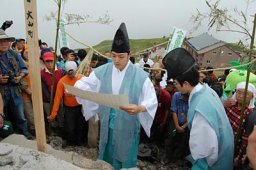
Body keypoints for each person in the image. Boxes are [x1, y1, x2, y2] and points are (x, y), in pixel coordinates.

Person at [74, 23, 157, 169]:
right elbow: (85, 84)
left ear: (129, 55)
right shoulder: (103, 70)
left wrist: (139, 108)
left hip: (127, 126)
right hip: (107, 124)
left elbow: (152, 100)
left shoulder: (141, 77)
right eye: (113, 56)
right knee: (106, 155)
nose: (116, 60)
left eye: (121, 56)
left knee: (124, 157)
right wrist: (77, 89)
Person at [163, 48, 234, 169]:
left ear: (185, 83)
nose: (175, 87)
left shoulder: (199, 109)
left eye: (175, 83)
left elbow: (206, 151)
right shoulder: (207, 91)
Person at [0, 29, 32, 139]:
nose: (3, 44)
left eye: (5, 41)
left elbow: (24, 69)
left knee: (20, 114)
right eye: (0, 41)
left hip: (15, 89)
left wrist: (20, 76)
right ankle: (7, 135)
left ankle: (25, 134)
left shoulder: (15, 54)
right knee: (3, 114)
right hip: (1, 92)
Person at [48, 61, 87, 146]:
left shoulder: (82, 78)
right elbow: (57, 99)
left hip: (81, 107)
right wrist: (53, 114)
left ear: (76, 70)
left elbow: (87, 92)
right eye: (69, 73)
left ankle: (80, 143)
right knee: (70, 127)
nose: (71, 75)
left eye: (73, 73)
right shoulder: (62, 82)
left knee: (81, 126)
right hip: (69, 108)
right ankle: (71, 144)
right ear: (66, 72)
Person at [225, 82, 255, 168]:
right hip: (222, 144)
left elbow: (246, 138)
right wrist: (223, 105)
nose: (241, 96)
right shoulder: (229, 106)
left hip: (235, 149)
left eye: (245, 93)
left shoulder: (251, 114)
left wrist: (239, 157)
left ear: (252, 97)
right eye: (238, 92)